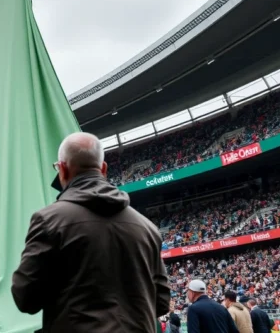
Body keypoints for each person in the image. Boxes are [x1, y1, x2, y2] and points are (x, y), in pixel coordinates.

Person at [11, 132, 170, 332]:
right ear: (103, 169)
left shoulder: (48, 220)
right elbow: (162, 302)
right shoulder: (148, 228)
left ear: (62, 169)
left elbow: (25, 298)